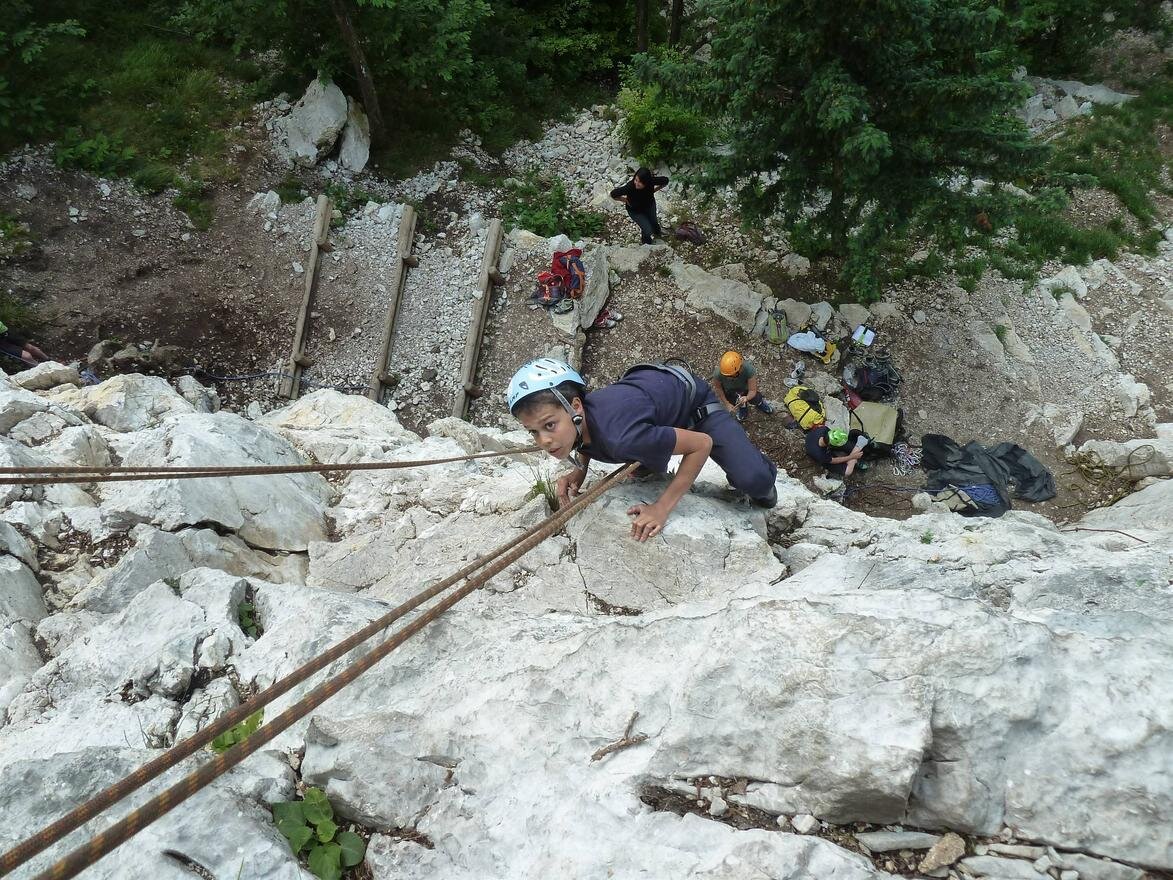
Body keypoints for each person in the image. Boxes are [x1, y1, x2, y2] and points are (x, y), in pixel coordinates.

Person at [507, 358, 778, 542]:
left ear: (576, 407)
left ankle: (762, 472)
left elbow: (701, 444)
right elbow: (584, 436)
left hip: (697, 408)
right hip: (655, 399)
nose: (543, 440)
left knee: (754, 480)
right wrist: (580, 470)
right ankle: (654, 447)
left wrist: (662, 507)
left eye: (549, 425)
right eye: (534, 432)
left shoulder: (620, 437)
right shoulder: (582, 418)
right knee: (639, 450)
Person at [610, 167, 669, 245]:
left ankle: (657, 233)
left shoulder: (651, 181)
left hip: (649, 205)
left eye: (640, 182)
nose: (636, 183)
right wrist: (625, 200)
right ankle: (646, 243)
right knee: (647, 229)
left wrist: (655, 190)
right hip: (635, 211)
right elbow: (613, 194)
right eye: (636, 180)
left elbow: (665, 180)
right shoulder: (630, 187)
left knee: (654, 221)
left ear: (646, 182)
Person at [711, 351, 774, 422]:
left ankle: (760, 403)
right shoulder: (719, 374)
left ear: (740, 368)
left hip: (746, 389)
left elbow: (752, 390)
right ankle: (743, 408)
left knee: (756, 398)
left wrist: (747, 398)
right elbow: (718, 388)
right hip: (731, 391)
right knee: (737, 401)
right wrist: (727, 403)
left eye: (733, 376)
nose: (730, 378)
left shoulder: (748, 369)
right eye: (727, 376)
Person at [804, 426, 869, 476]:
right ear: (831, 446)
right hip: (824, 458)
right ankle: (857, 450)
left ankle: (856, 451)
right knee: (848, 472)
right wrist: (852, 457)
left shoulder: (824, 429)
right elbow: (834, 461)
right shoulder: (819, 454)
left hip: (820, 443)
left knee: (850, 446)